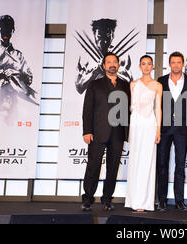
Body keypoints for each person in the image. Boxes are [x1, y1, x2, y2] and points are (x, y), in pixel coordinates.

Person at [81, 52, 130, 212]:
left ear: (118, 64)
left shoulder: (124, 85)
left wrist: (127, 132)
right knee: (93, 166)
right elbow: (87, 110)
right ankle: (87, 199)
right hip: (97, 132)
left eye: (114, 62)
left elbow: (127, 110)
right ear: (104, 66)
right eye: (108, 62)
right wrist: (87, 131)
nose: (112, 64)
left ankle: (107, 199)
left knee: (113, 167)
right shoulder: (95, 85)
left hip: (118, 133)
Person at [156, 52, 187, 212]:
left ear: (183, 64)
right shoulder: (160, 81)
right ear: (169, 64)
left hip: (182, 128)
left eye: (179, 62)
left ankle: (179, 200)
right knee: (162, 164)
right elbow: (157, 106)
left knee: (180, 165)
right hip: (164, 128)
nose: (176, 65)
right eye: (173, 62)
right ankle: (162, 200)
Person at [125, 55, 162, 212]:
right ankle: (134, 200)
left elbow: (158, 108)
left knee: (147, 160)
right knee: (135, 158)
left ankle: (145, 201)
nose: (146, 66)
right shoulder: (133, 84)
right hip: (136, 122)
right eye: (143, 64)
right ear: (139, 66)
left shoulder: (157, 85)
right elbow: (131, 107)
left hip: (149, 123)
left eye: (149, 64)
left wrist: (158, 129)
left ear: (152, 66)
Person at [75, 18, 136, 94]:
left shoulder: (123, 56)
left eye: (107, 35)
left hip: (116, 100)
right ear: (94, 34)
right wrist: (97, 70)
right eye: (100, 35)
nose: (104, 40)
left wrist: (113, 70)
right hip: (96, 101)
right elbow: (79, 87)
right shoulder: (86, 57)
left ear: (112, 35)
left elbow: (130, 85)